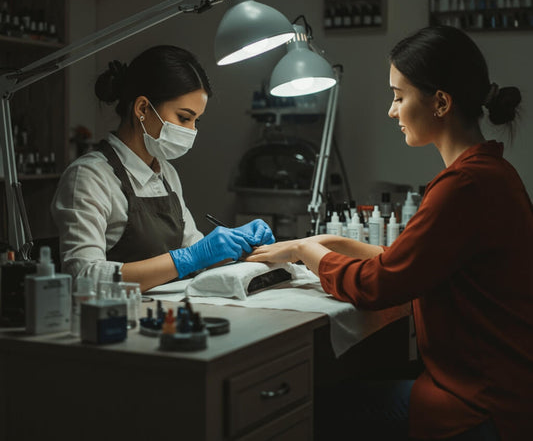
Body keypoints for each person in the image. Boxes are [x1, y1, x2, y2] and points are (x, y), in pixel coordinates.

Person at [246, 26, 532, 440]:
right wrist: (329, 244)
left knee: (311, 413)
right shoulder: (490, 173)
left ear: (441, 103)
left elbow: (380, 284)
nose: (391, 110)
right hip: (504, 386)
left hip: (479, 403)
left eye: (399, 96)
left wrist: (311, 254)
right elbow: (411, 260)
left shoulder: (464, 186)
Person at [52, 45, 274, 292]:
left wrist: (237, 245)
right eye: (184, 118)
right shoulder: (89, 177)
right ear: (143, 109)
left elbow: (195, 251)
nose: (191, 131)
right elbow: (83, 276)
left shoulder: (166, 173)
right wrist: (188, 258)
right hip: (114, 319)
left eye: (195, 121)